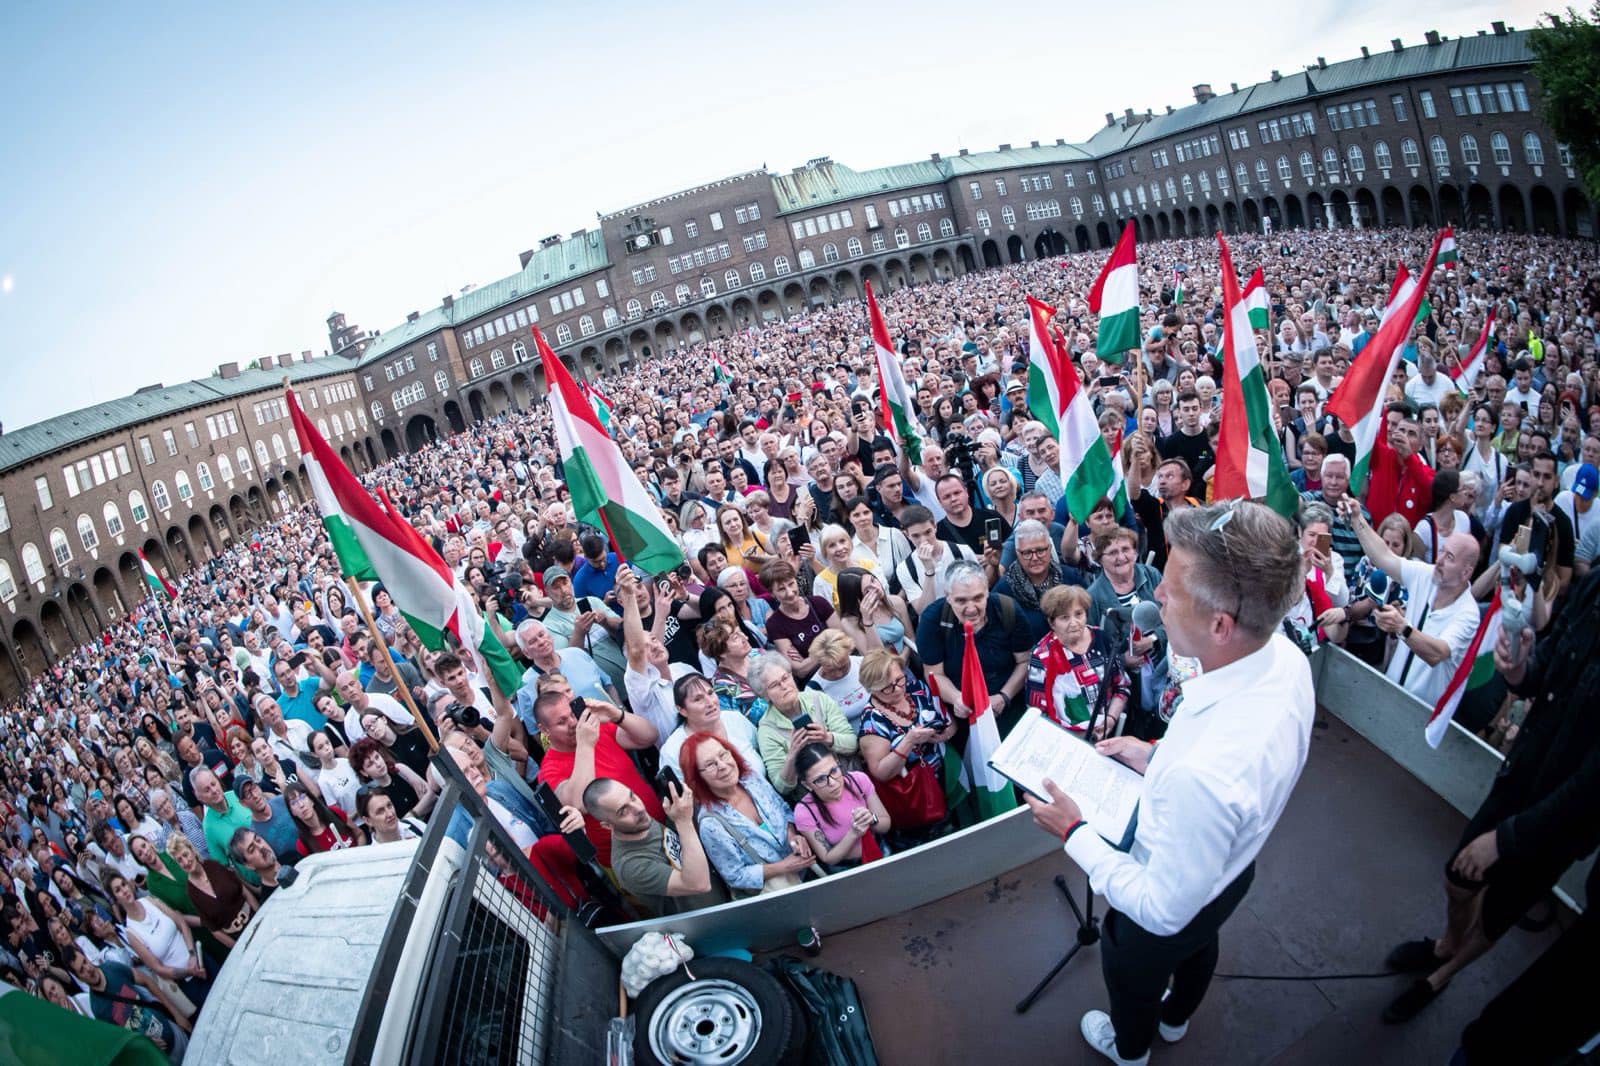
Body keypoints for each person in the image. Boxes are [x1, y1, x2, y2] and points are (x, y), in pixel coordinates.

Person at [1024, 500, 1315, 1066]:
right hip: (1230, 875)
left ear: (1220, 625)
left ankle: (1131, 1050)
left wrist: (1074, 830)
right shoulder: (1283, 657)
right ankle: (1176, 1020)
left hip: (1161, 903)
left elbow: (1160, 911)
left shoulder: (1200, 777)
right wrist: (1151, 754)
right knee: (1200, 943)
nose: (1155, 596)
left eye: (1171, 591)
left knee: (1132, 971)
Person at [1380, 566, 1600, 1025]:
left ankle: (1442, 976)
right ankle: (1445, 945)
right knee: (1458, 878)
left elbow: (1593, 787)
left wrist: (1507, 839)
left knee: (1499, 912)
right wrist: (1520, 670)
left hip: (1561, 821)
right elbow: (1548, 668)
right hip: (1523, 776)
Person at [1340, 498, 1481, 705]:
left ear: (1466, 572)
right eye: (1442, 551)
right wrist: (1357, 519)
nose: (1439, 560)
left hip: (1421, 713)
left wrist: (1402, 628)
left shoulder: (1468, 612)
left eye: (1449, 557)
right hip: (1390, 694)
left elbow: (1438, 653)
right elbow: (1383, 557)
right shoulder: (1426, 574)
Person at [681, 732, 814, 897]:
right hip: (776, 894)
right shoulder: (711, 824)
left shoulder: (751, 778)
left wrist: (793, 837)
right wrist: (784, 867)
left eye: (723, 754)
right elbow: (736, 876)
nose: (722, 765)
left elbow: (782, 809)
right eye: (710, 764)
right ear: (697, 777)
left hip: (805, 870)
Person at [581, 776, 728, 917]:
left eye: (632, 796)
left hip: (725, 896)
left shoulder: (636, 823)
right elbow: (698, 884)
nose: (638, 808)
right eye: (623, 811)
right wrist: (683, 821)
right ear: (607, 826)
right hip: (711, 922)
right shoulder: (631, 865)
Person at [916, 561, 1032, 733]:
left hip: (1010, 705)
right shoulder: (933, 620)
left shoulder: (1007, 609)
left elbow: (1025, 661)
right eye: (961, 601)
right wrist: (957, 699)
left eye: (978, 598)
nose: (971, 609)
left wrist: (1004, 697)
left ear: (987, 592)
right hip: (963, 714)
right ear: (948, 596)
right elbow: (934, 673)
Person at [1026, 585, 1130, 737]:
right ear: (1052, 622)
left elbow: (1122, 686)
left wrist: (1110, 720)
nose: (1074, 623)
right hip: (1064, 737)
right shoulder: (1041, 656)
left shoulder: (1102, 639)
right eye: (1064, 617)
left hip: (1106, 731)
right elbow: (1037, 712)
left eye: (1078, 614)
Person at [749, 652, 858, 797]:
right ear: (764, 695)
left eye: (785, 678)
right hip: (815, 797)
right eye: (775, 685)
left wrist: (827, 738)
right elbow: (782, 788)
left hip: (848, 778)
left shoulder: (818, 699)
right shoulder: (766, 730)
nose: (784, 686)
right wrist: (792, 755)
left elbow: (852, 743)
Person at [792, 743, 890, 871]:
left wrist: (871, 819)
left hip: (879, 850)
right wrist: (853, 834)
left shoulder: (858, 780)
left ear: (838, 763)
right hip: (846, 869)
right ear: (807, 785)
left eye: (834, 770)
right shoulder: (804, 811)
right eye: (820, 779)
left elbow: (886, 824)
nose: (832, 782)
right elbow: (828, 857)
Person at [284, 782, 363, 855]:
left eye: (302, 797)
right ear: (292, 812)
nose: (301, 805)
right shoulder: (303, 844)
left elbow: (360, 834)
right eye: (294, 803)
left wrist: (357, 856)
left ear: (311, 799)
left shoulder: (335, 812)